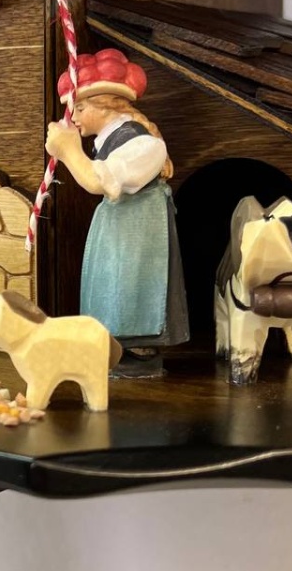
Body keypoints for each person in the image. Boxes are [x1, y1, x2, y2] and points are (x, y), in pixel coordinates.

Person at [44, 48, 188, 376]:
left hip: (139, 232)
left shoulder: (143, 145)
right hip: (119, 228)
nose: (72, 117)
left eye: (80, 108)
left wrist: (69, 150)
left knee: (131, 287)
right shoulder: (107, 143)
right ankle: (110, 349)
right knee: (110, 284)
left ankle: (138, 353)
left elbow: (98, 181)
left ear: (106, 106)